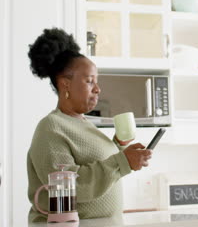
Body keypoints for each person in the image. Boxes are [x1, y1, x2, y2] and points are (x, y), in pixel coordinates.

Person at [26, 28, 152, 222]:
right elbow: (71, 188)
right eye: (89, 81)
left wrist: (118, 145)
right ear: (65, 84)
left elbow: (95, 163)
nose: (98, 89)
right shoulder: (50, 128)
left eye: (97, 81)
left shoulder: (84, 124)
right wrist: (123, 161)